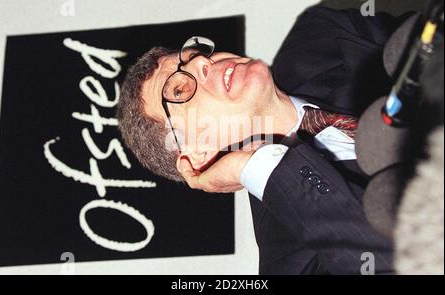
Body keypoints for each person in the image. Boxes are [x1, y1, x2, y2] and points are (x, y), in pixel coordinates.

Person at [117, 5, 412, 274]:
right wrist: (256, 166)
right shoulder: (294, 263)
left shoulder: (321, 38)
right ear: (197, 155)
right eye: (179, 90)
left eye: (194, 57)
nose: (200, 64)